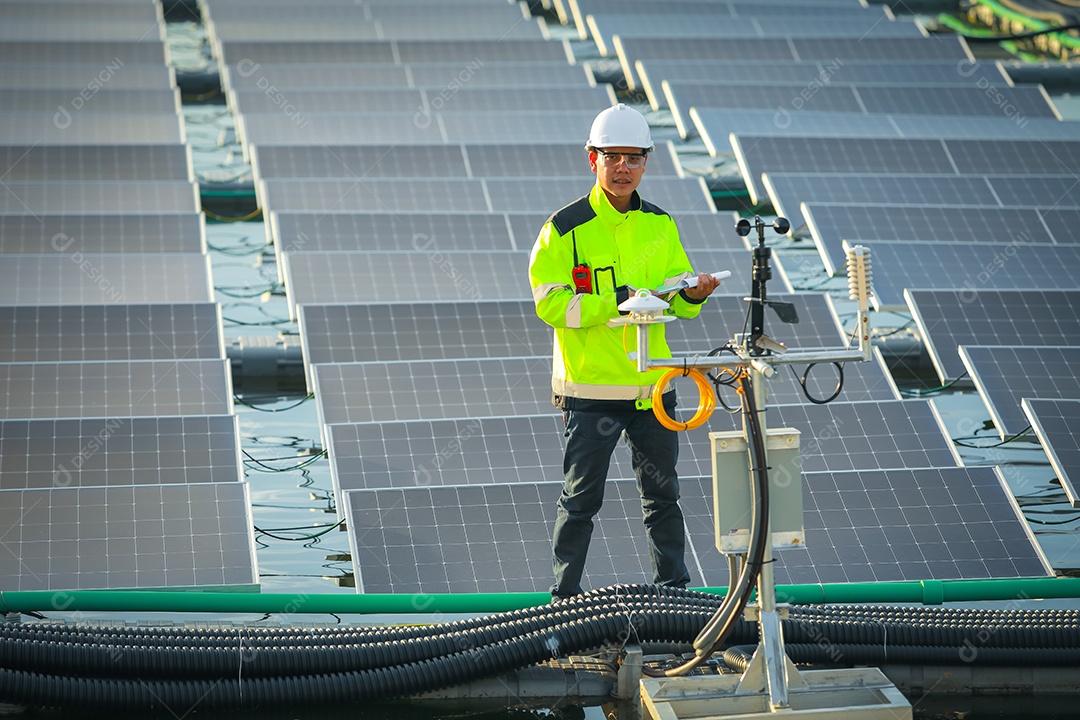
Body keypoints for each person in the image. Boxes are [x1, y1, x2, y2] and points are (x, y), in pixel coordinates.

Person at [527, 104, 721, 600]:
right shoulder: (563, 228)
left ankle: (673, 596)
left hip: (652, 388)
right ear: (592, 158)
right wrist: (609, 303)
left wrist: (693, 295)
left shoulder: (660, 225)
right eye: (612, 156)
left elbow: (675, 299)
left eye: (634, 157)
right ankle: (562, 604)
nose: (623, 167)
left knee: (663, 497)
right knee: (580, 501)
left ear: (645, 162)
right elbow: (550, 304)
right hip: (591, 392)